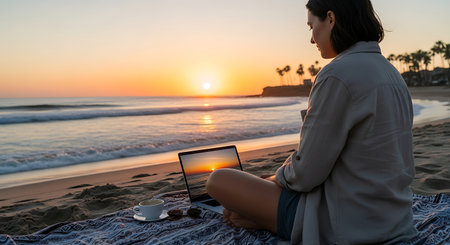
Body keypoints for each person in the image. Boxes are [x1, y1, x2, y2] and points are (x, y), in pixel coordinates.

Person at [206, 0, 418, 244]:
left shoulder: (337, 74)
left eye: (311, 27)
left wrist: (278, 178)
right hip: (392, 217)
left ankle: (260, 217)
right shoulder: (391, 74)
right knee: (265, 184)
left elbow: (306, 174)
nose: (311, 39)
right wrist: (279, 178)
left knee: (218, 180)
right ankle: (257, 217)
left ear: (330, 18)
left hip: (346, 220)